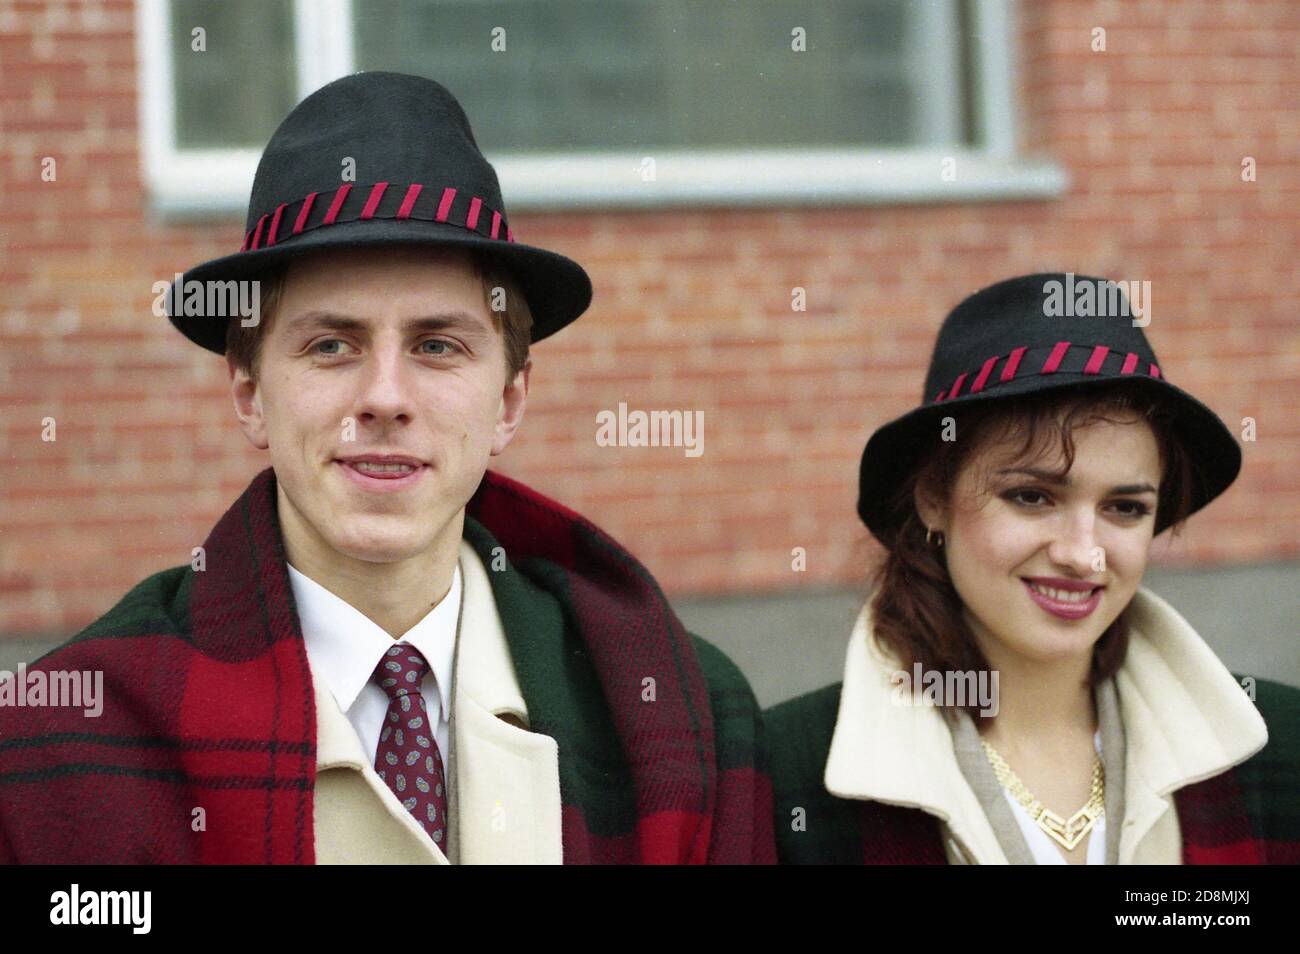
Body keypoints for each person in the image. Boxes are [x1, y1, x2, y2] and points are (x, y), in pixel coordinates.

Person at [0, 72, 774, 864]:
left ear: (508, 400)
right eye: (330, 345)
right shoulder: (55, 757)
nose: (383, 398)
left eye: (438, 345)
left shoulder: (688, 719)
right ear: (249, 393)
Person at [765, 273, 1299, 864]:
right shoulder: (789, 777)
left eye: (1124, 508)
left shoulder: (1275, 751)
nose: (1082, 553)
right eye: (1032, 497)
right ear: (933, 498)